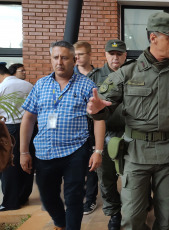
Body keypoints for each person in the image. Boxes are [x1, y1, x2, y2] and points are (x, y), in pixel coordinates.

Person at [87, 12, 169, 230]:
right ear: (153, 38)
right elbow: (103, 109)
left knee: (166, 219)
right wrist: (97, 111)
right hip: (136, 155)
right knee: (132, 219)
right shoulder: (127, 73)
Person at [19, 40, 105, 230]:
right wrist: (24, 152)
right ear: (51, 59)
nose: (60, 62)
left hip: (75, 151)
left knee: (74, 197)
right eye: (56, 57)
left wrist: (98, 150)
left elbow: (99, 118)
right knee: (48, 196)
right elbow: (28, 119)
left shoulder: (86, 85)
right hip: (44, 152)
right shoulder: (41, 85)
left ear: (74, 60)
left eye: (64, 58)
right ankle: (61, 223)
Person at [86, 39, 127, 230]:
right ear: (105, 55)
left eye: (119, 54)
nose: (115, 57)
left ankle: (135, 209)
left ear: (125, 55)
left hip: (130, 134)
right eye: (112, 53)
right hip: (105, 133)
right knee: (107, 178)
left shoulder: (133, 73)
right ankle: (114, 213)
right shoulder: (95, 76)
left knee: (134, 176)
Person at [0, 62, 34, 212]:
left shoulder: (2, 87)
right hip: (31, 127)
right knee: (27, 160)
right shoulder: (28, 86)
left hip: (10, 128)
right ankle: (23, 195)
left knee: (9, 164)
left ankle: (10, 202)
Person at [73, 41, 99, 215]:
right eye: (75, 54)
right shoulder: (69, 75)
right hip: (75, 126)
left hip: (95, 124)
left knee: (92, 164)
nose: (77, 57)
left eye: (81, 54)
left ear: (90, 54)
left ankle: (90, 199)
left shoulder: (99, 76)